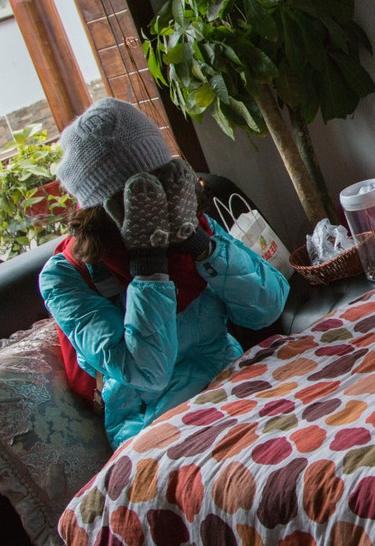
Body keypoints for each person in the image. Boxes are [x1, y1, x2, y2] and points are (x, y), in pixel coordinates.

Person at [39, 98, 289, 449]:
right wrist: (149, 263)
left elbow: (268, 307)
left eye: (159, 183)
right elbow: (147, 374)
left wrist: (199, 243)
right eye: (139, 196)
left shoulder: (187, 225)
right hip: (157, 426)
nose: (158, 205)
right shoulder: (67, 277)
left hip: (237, 381)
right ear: (102, 210)